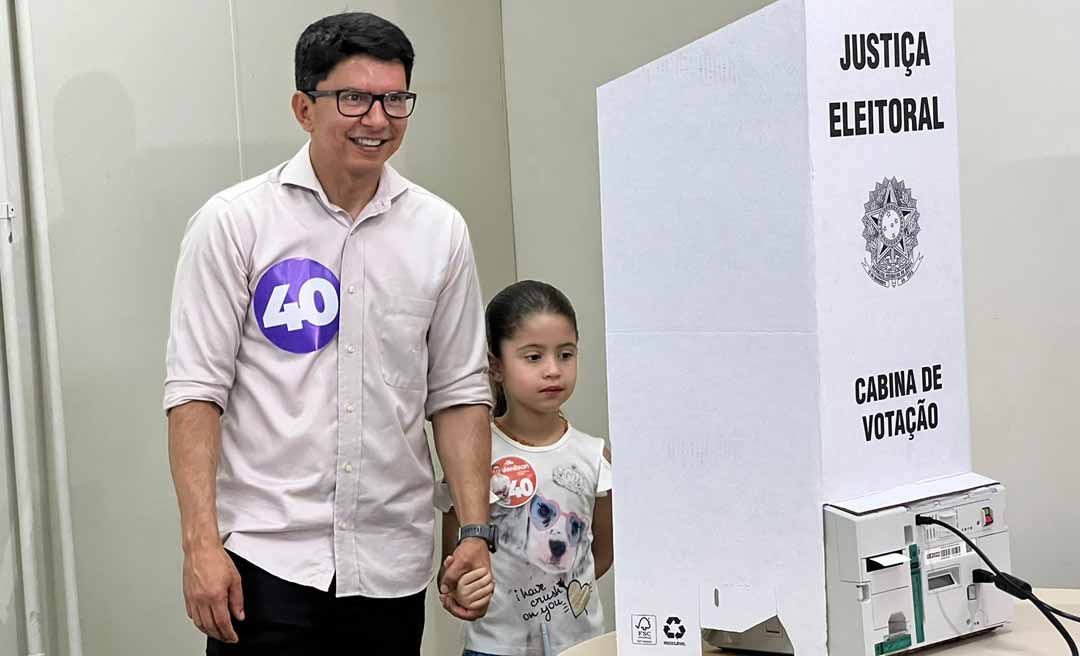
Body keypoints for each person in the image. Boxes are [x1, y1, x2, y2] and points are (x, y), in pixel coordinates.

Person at [164, 12, 495, 654]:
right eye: (353, 98)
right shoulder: (235, 223)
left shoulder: (440, 232)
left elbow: (458, 393)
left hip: (390, 565)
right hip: (265, 563)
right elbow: (196, 393)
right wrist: (201, 544)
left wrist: (474, 530)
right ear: (303, 108)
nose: (377, 119)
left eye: (395, 99)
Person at [437, 280, 614, 656]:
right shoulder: (473, 457)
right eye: (533, 357)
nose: (553, 370)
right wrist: (466, 588)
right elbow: (451, 565)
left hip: (581, 646)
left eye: (565, 355)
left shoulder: (594, 455)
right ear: (496, 367)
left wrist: (553, 588)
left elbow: (601, 554)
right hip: (494, 649)